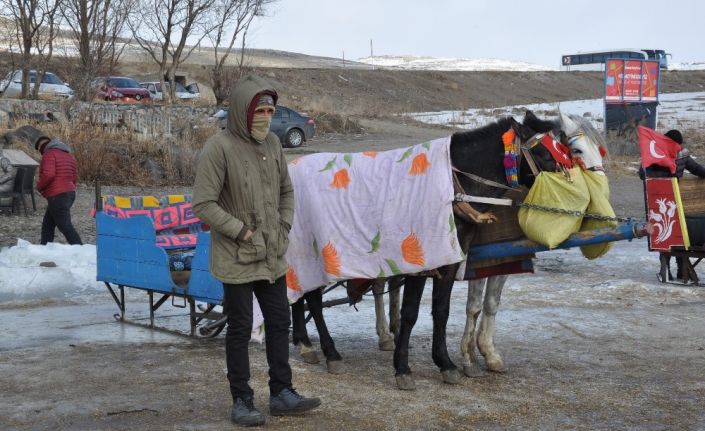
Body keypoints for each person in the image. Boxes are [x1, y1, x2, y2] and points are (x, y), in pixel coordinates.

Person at [192, 75, 320, 427]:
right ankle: (242, 400)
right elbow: (203, 203)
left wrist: (284, 225)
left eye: (270, 110)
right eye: (259, 110)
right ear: (241, 112)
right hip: (236, 255)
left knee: (280, 322)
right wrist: (240, 230)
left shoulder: (274, 144)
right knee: (241, 327)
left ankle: (282, 393)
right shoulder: (219, 148)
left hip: (272, 253)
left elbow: (286, 192)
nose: (265, 116)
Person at [650, 129, 705, 281]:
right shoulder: (656, 153)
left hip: (676, 199)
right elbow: (644, 174)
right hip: (660, 199)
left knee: (679, 235)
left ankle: (682, 269)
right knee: (666, 235)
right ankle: (666, 269)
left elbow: (695, 168)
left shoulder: (681, 153)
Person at [32, 129, 83, 245]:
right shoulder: (68, 155)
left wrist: (39, 187)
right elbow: (74, 177)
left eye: (39, 149)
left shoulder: (48, 154)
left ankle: (80, 249)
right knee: (48, 224)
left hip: (57, 195)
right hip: (69, 193)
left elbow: (49, 175)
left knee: (65, 226)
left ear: (41, 146)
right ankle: (44, 248)